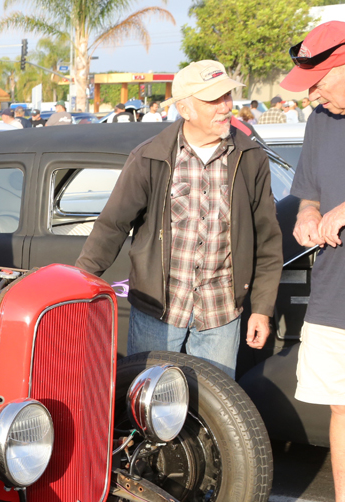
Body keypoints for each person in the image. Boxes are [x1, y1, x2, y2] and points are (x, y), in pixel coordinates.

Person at [74, 60, 283, 379]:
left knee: (214, 416)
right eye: (213, 99)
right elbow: (111, 226)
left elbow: (267, 240)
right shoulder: (150, 157)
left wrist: (263, 309)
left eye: (227, 96)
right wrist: (76, 287)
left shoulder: (250, 158)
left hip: (221, 315)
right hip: (158, 311)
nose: (225, 107)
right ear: (185, 108)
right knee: (147, 405)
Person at [280, 21, 345, 502]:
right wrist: (307, 218)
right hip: (338, 292)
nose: (309, 94)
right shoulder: (319, 121)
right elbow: (307, 193)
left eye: (317, 82)